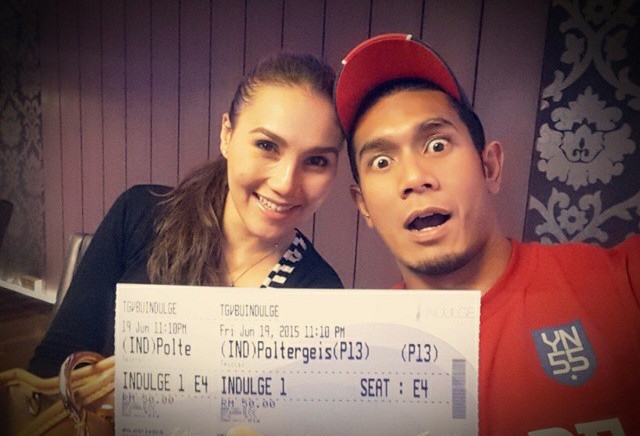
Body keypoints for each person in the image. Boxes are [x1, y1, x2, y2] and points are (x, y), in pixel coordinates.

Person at [334, 34, 640, 435]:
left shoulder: (621, 285)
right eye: (381, 161)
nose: (413, 178)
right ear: (364, 207)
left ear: (490, 167)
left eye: (437, 144)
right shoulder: (349, 359)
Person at [29, 52, 344, 377]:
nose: (285, 184)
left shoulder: (321, 295)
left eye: (316, 161)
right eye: (267, 146)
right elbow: (51, 364)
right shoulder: (139, 216)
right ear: (227, 135)